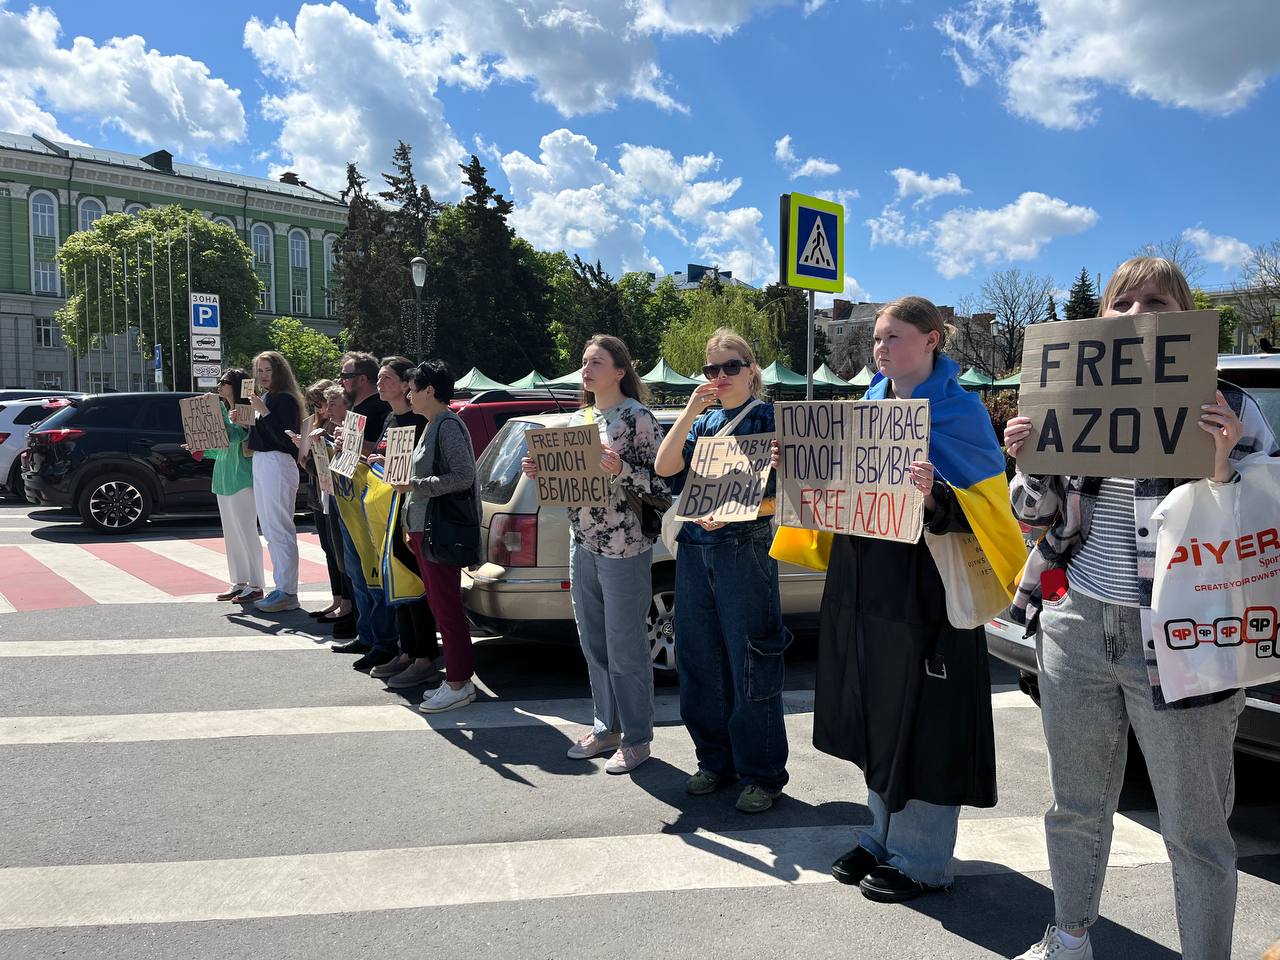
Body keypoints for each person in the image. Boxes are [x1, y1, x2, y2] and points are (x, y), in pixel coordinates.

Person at [1005, 257, 1278, 960]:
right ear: (1103, 319)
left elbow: (1259, 514)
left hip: (1186, 637)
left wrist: (1220, 463)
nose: (1137, 314)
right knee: (1076, 805)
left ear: (1183, 316)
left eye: (1156, 301)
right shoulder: (1067, 397)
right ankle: (1070, 937)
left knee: (1196, 826)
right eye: (1123, 302)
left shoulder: (1229, 405)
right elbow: (1032, 515)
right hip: (1078, 625)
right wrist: (1029, 461)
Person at [809, 296, 1025, 904]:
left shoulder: (960, 412)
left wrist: (936, 499)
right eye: (876, 339)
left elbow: (990, 508)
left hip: (928, 591)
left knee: (928, 718)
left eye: (892, 337)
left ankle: (924, 856)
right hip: (867, 588)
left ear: (932, 340)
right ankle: (882, 836)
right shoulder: (868, 406)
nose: (880, 349)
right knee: (877, 708)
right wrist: (803, 468)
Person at [654, 328, 790, 813]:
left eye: (730, 367)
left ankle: (763, 773)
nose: (720, 376)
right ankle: (715, 760)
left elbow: (788, 491)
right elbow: (666, 465)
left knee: (750, 658)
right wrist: (691, 410)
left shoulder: (771, 418)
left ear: (752, 370)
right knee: (699, 659)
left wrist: (744, 508)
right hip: (695, 545)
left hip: (744, 547)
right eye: (711, 369)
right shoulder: (704, 420)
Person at [520, 335, 664, 774]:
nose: (586, 368)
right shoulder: (579, 419)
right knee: (593, 643)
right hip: (582, 542)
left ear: (620, 371)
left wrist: (621, 469)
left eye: (596, 362)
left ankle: (637, 738)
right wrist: (540, 470)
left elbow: (662, 490)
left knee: (626, 649)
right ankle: (607, 727)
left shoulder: (637, 418)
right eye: (584, 361)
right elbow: (569, 483)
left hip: (625, 548)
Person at [396, 360, 481, 714]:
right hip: (425, 527)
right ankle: (456, 680)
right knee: (440, 605)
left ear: (430, 391)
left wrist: (415, 485)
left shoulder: (445, 424)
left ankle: (459, 681)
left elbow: (463, 475)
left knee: (446, 607)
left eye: (412, 389)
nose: (408, 395)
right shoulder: (434, 424)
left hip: (437, 528)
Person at [367, 356, 441, 689]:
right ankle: (407, 650)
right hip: (386, 514)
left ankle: (424, 656)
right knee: (397, 583)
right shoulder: (391, 419)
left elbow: (422, 466)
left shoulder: (422, 421)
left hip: (409, 513)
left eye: (387, 378)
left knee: (414, 584)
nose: (380, 384)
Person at [330, 351, 395, 666]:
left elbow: (385, 453)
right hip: (349, 504)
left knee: (373, 576)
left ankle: (383, 642)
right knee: (357, 575)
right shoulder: (356, 411)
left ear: (361, 379)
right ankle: (366, 634)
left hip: (369, 507)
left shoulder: (380, 409)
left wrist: (353, 444)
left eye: (346, 376)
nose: (342, 381)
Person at [188, 368, 264, 605]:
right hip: (223, 477)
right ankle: (240, 581)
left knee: (246, 531)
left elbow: (234, 436)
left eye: (225, 382)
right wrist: (198, 448)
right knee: (232, 534)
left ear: (237, 386)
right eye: (220, 381)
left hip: (242, 478)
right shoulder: (227, 410)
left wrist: (217, 410)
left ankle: (256, 584)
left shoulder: (245, 411)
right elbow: (221, 445)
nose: (219, 385)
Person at [244, 350, 304, 614]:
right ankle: (282, 586)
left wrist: (264, 413)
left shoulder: (285, 400)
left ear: (279, 372)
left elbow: (285, 438)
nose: (263, 375)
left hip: (277, 462)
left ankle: (288, 591)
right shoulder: (267, 398)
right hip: (263, 462)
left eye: (268, 370)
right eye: (260, 370)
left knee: (279, 528)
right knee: (270, 529)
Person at [297, 379, 352, 623]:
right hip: (319, 495)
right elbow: (311, 465)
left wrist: (307, 452)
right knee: (329, 549)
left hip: (332, 493)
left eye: (323, 403)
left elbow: (324, 466)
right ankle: (338, 599)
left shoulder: (334, 427)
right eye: (316, 404)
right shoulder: (314, 423)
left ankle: (346, 603)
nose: (322, 409)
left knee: (339, 549)